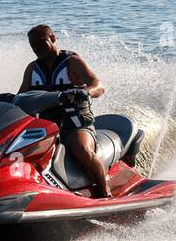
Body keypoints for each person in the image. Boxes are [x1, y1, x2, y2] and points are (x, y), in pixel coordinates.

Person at [18, 25, 110, 198]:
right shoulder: (32, 69)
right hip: (48, 128)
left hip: (76, 125)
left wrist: (85, 92)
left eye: (40, 43)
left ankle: (105, 192)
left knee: (81, 149)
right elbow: (21, 97)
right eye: (33, 46)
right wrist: (8, 101)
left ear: (52, 38)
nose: (37, 48)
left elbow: (99, 85)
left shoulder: (72, 62)